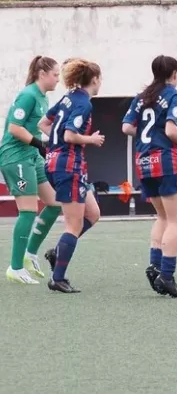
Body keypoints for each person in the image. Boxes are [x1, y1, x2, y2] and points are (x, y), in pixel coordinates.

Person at [122, 55, 177, 298]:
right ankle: (167, 275)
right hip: (165, 160)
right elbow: (171, 130)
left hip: (143, 161)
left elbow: (127, 127)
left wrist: (148, 132)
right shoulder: (174, 95)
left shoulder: (142, 97)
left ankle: (155, 266)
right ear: (174, 73)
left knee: (162, 217)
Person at [39, 59, 105, 292]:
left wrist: (56, 144)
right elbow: (69, 135)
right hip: (68, 166)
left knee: (93, 214)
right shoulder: (83, 103)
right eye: (100, 78)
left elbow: (44, 123)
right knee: (73, 223)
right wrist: (91, 139)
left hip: (57, 162)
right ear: (94, 79)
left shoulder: (68, 97)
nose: (101, 83)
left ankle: (59, 251)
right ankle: (58, 278)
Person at [0, 56, 63, 285]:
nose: (58, 79)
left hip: (31, 157)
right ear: (42, 73)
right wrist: (40, 145)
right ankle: (15, 268)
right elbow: (14, 128)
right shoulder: (28, 95)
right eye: (55, 74)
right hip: (15, 157)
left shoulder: (43, 98)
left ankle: (29, 254)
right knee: (27, 211)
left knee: (55, 204)